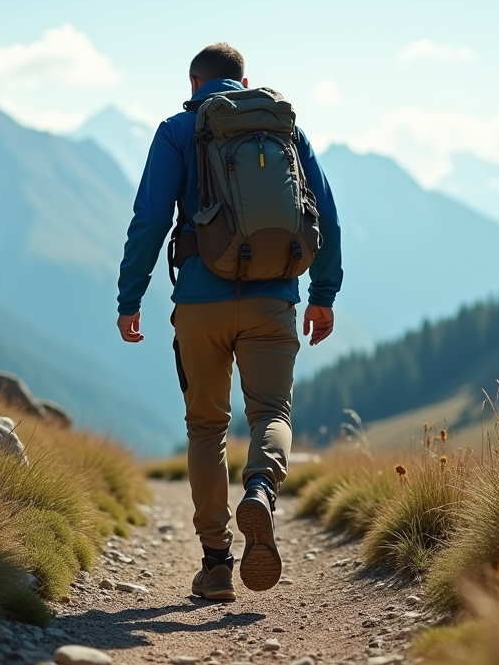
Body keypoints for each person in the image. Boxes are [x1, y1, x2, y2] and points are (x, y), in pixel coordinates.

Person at [115, 43, 343, 600]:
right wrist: (324, 293)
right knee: (271, 412)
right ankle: (261, 490)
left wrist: (130, 297)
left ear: (193, 82)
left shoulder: (176, 129)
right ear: (245, 81)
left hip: (199, 304)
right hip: (274, 301)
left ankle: (216, 563)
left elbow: (149, 219)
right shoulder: (283, 128)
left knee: (206, 427)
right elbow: (325, 212)